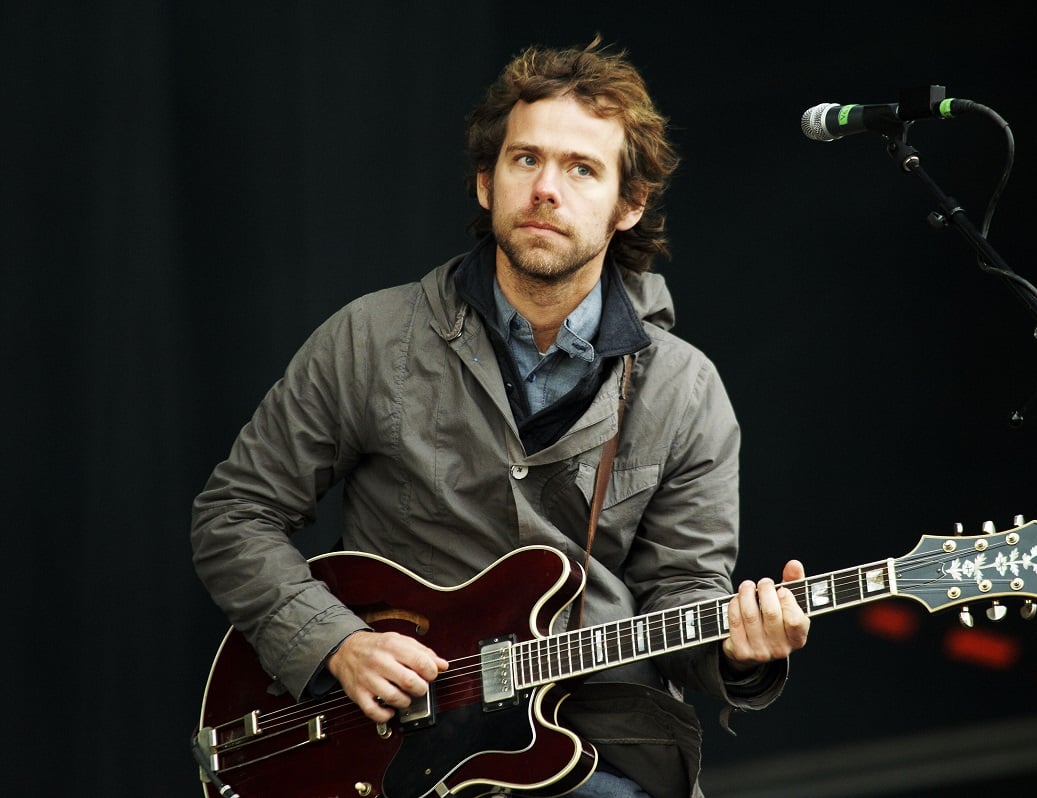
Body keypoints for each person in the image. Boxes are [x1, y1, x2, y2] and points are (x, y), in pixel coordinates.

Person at [191, 35, 809, 798]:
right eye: (526, 160)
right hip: (382, 743)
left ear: (629, 204)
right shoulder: (371, 338)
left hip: (591, 742)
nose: (547, 188)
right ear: (486, 183)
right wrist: (336, 643)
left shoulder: (685, 389)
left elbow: (682, 593)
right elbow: (234, 515)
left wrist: (744, 654)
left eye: (582, 169)